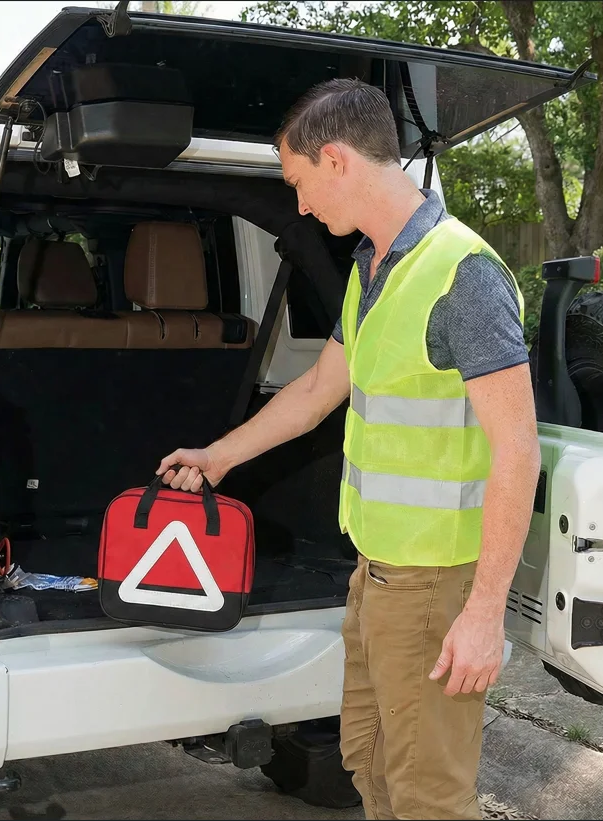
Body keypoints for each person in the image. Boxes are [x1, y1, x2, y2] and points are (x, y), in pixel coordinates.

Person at [156, 78, 542, 820]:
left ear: (334, 159)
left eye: (298, 183)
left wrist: (484, 611)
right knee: (368, 767)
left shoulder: (460, 275)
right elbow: (312, 394)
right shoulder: (371, 269)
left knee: (427, 794)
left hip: (435, 585)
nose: (298, 205)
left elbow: (516, 451)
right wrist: (218, 456)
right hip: (375, 575)